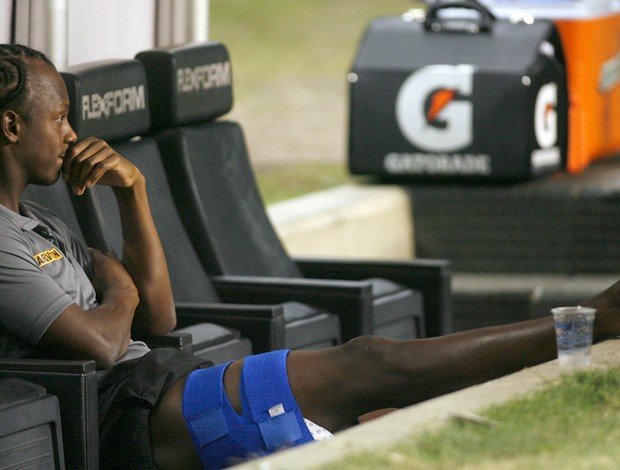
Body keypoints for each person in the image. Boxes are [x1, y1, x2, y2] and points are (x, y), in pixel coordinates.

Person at [1, 43, 620, 470]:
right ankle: (586, 325)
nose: (72, 134)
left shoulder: (42, 219)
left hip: (157, 383)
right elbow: (107, 341)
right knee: (372, 364)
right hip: (124, 413)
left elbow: (158, 320)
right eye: (57, 118)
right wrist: (121, 291)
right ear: (9, 128)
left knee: (376, 418)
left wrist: (134, 192)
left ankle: (580, 328)